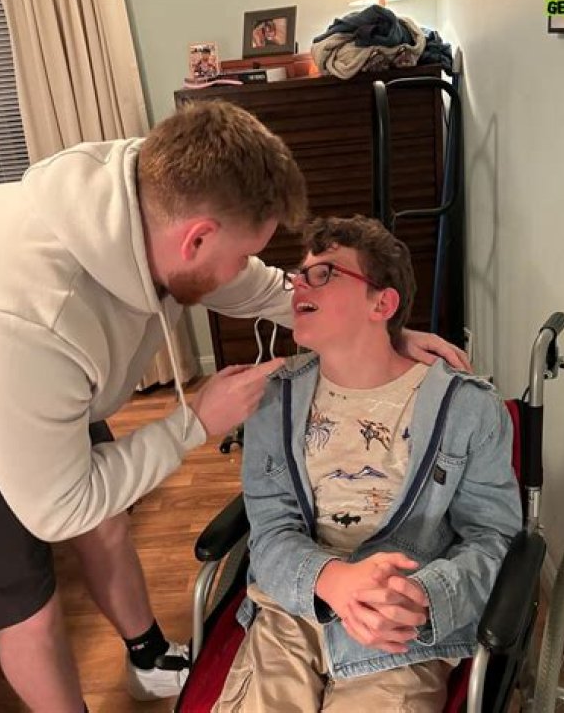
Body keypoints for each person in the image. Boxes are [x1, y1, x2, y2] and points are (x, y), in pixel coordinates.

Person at [0, 101, 468, 711]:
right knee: (27, 609)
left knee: (107, 524)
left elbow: (254, 287)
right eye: (241, 255)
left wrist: (387, 333)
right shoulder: (26, 329)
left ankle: (146, 655)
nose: (248, 271)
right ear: (196, 239)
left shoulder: (152, 200)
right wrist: (194, 423)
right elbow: (60, 509)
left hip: (37, 382)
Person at [214, 216, 522, 713]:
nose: (299, 284)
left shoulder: (467, 410)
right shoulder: (273, 401)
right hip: (294, 609)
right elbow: (270, 532)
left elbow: (494, 537)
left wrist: (426, 595)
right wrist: (330, 578)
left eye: (324, 273)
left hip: (397, 626)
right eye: (299, 273)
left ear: (382, 303)